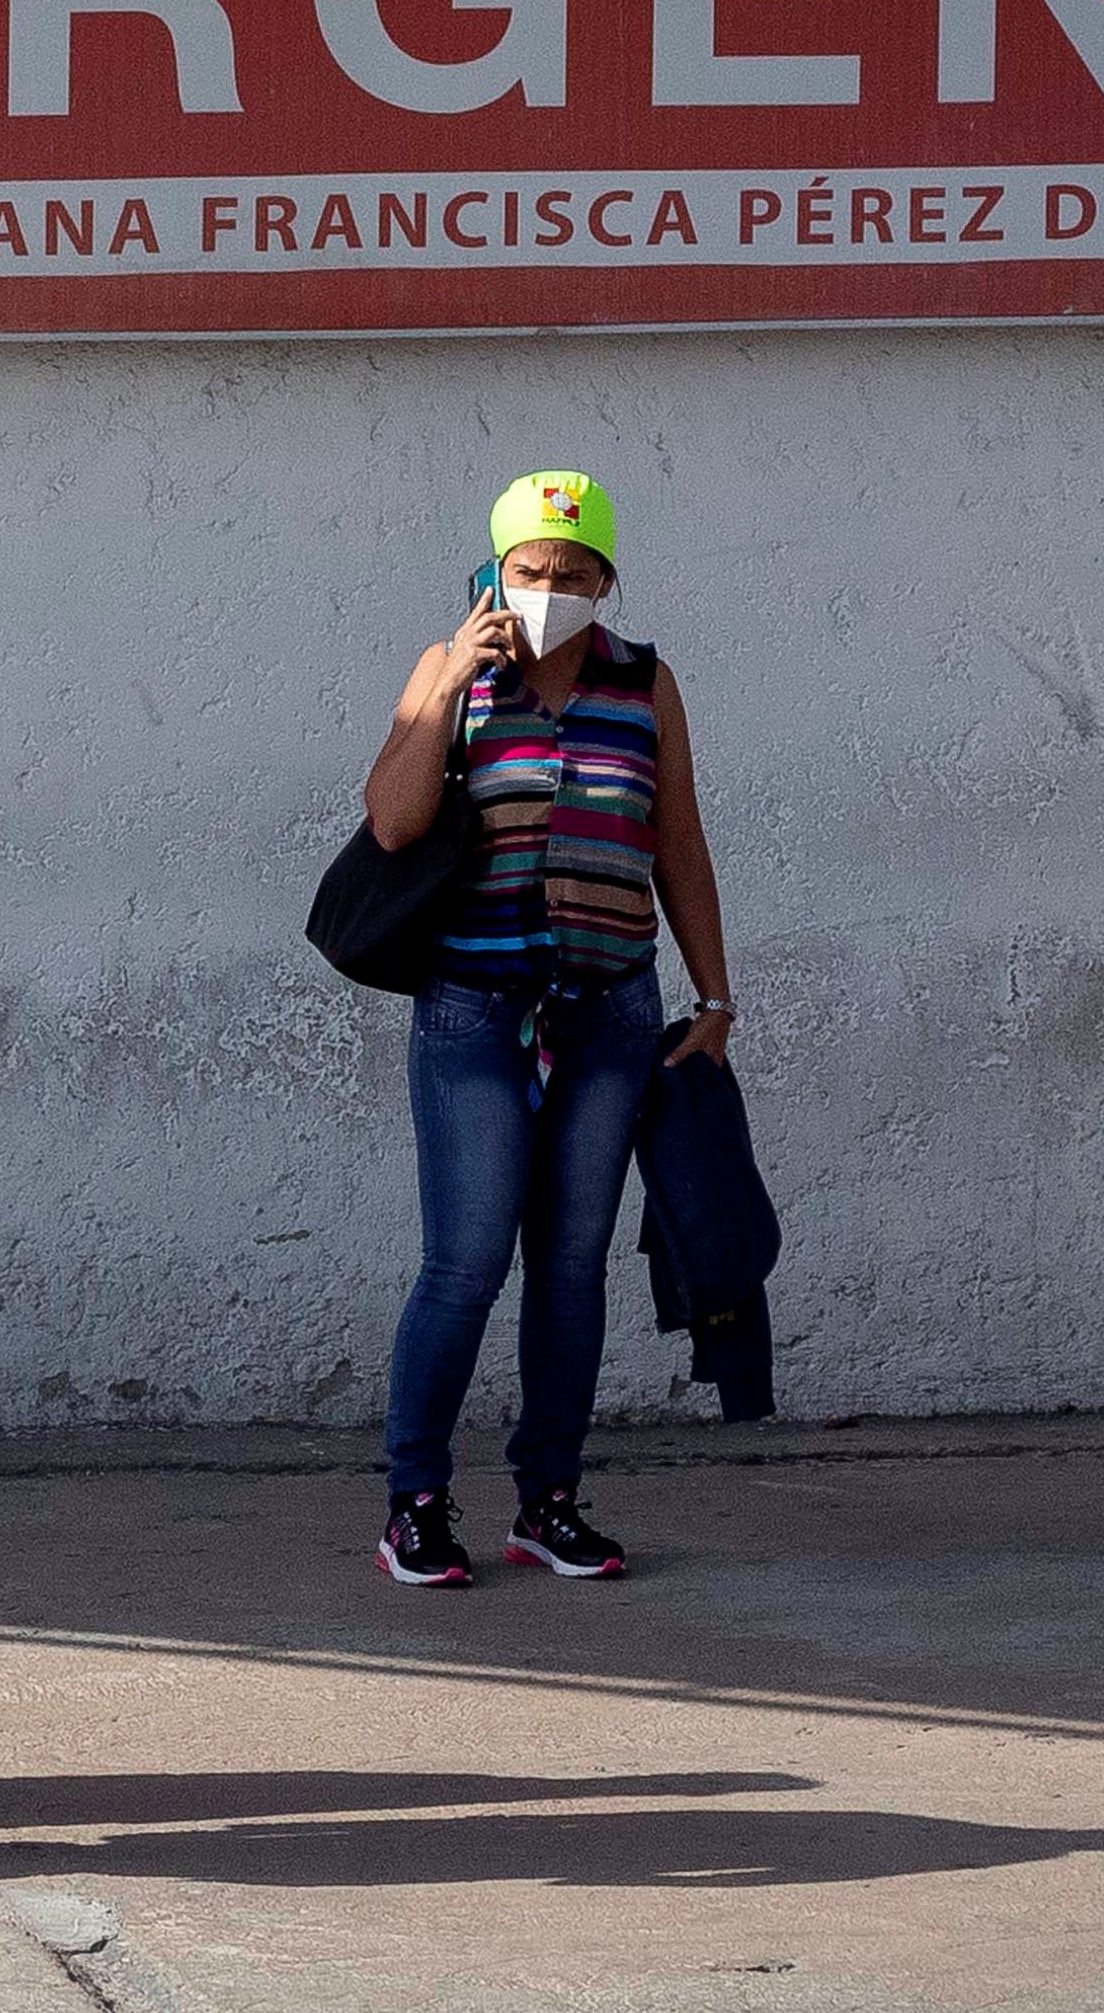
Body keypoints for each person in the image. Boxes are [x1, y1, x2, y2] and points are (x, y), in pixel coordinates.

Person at [353, 471, 740, 1586]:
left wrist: (713, 1002)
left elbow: (679, 844)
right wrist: (449, 686)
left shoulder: (643, 682)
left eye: (575, 572)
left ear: (606, 581)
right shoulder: (449, 672)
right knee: (464, 1263)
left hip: (610, 1014)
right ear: (493, 570)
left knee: (571, 1268)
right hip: (474, 1014)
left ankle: (547, 1498)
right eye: (531, 568)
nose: (552, 587)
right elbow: (393, 821)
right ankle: (414, 1502)